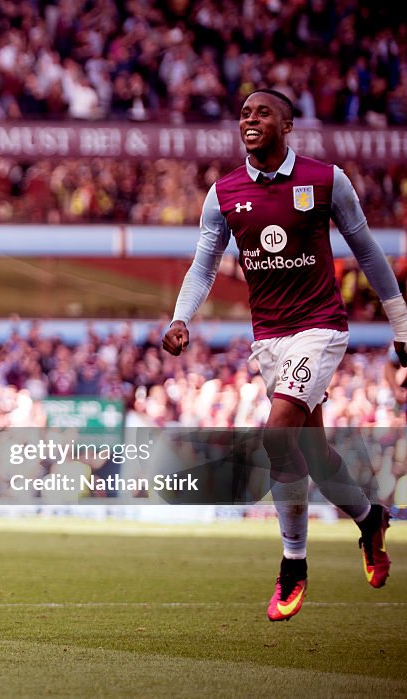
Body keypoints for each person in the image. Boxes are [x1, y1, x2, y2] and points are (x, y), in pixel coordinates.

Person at [162, 88, 407, 622]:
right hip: (268, 338)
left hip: (320, 327)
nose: (250, 120)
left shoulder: (325, 180)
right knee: (315, 458)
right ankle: (370, 520)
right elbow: (204, 266)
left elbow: (367, 250)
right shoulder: (223, 193)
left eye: (262, 113)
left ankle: (293, 565)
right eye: (245, 113)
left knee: (276, 433)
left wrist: (401, 321)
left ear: (288, 124)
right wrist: (181, 316)